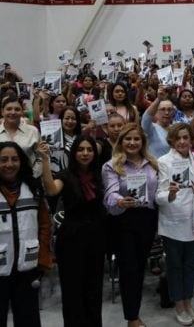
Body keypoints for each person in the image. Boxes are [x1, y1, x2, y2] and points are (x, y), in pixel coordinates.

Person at [41, 136, 106, 327]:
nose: (85, 153)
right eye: (80, 149)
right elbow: (52, 190)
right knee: (72, 291)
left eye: (89, 150)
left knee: (94, 290)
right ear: (74, 153)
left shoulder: (100, 174)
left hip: (95, 236)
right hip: (71, 238)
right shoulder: (66, 175)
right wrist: (45, 161)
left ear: (95, 153)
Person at [102, 123, 160, 327]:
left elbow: (157, 192)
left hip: (147, 219)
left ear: (142, 142)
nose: (132, 142)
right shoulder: (112, 165)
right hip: (123, 220)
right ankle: (132, 317)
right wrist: (119, 201)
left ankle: (134, 312)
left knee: (139, 267)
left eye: (136, 139)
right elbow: (110, 192)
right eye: (128, 139)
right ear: (121, 141)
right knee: (129, 269)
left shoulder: (152, 163)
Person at [156, 123, 194, 325]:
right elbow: (158, 196)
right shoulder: (164, 162)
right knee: (175, 266)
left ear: (192, 139)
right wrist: (170, 193)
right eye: (178, 138)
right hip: (173, 221)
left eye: (186, 137)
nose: (182, 141)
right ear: (171, 141)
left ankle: (188, 301)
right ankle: (178, 303)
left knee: (190, 265)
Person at [0, 142, 51, 327]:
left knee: (28, 320)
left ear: (21, 162)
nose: (9, 164)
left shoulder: (33, 188)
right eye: (3, 160)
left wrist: (43, 259)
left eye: (14, 159)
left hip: (27, 269)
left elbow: (45, 225)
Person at [0, 96, 41, 176]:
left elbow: (41, 157)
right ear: (2, 112)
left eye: (17, 109)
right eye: (9, 109)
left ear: (22, 112)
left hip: (28, 179)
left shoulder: (33, 131)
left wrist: (33, 175)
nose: (13, 112)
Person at [141, 86, 175, 158]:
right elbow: (146, 118)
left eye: (170, 110)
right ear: (155, 112)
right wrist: (159, 99)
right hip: (156, 167)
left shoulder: (176, 128)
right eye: (163, 109)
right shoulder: (151, 128)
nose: (166, 113)